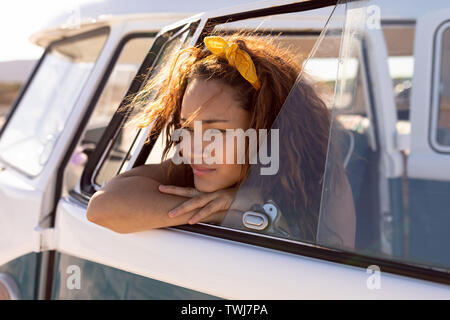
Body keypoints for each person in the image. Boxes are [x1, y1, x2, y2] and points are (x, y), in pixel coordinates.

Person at [86, 33, 356, 248]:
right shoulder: (194, 167)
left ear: (264, 127)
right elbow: (102, 207)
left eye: (217, 132)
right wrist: (229, 209)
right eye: (187, 129)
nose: (191, 149)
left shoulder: (320, 181)